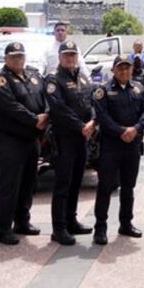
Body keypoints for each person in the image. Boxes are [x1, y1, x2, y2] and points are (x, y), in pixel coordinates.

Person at [0, 41, 49, 245]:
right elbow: (10, 107)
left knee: (29, 182)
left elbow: (45, 96)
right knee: (10, 183)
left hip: (31, 137)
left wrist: (47, 114)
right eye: (13, 56)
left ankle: (22, 221)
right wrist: (35, 119)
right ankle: (3, 229)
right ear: (6, 59)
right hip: (9, 139)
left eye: (20, 56)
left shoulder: (33, 74)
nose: (18, 59)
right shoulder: (1, 80)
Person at [92, 56, 144, 245]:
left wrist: (135, 129)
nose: (124, 71)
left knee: (128, 186)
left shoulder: (139, 89)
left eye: (127, 68)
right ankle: (100, 227)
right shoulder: (104, 91)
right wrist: (121, 131)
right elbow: (102, 116)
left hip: (132, 145)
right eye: (120, 68)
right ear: (114, 70)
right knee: (105, 187)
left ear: (131, 70)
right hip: (111, 146)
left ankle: (126, 223)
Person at [44, 41, 97, 246]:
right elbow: (58, 109)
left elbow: (91, 102)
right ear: (59, 57)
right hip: (64, 137)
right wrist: (80, 126)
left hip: (82, 138)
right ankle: (59, 228)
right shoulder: (53, 80)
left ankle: (71, 220)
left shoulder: (82, 77)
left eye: (73, 55)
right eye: (66, 55)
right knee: (63, 184)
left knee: (76, 181)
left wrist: (92, 121)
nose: (70, 58)